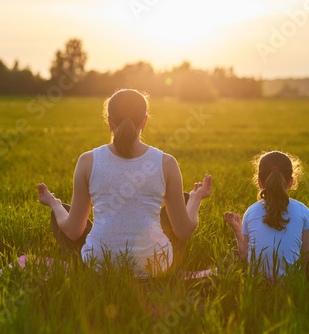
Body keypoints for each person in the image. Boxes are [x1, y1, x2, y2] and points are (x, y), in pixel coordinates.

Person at [37, 89, 212, 276]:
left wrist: (54, 205)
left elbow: (73, 231)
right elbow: (183, 231)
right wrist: (196, 199)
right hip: (156, 267)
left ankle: (81, 266)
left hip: (99, 265)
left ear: (110, 122)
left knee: (64, 211)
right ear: (144, 122)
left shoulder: (87, 161)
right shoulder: (167, 163)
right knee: (182, 201)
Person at [224, 151, 309, 281]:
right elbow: (306, 256)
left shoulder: (251, 211)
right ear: (291, 182)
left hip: (258, 283)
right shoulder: (302, 209)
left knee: (233, 255)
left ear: (259, 182)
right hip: (291, 283)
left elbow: (244, 256)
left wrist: (237, 230)